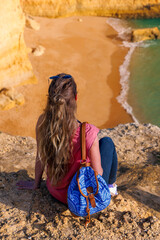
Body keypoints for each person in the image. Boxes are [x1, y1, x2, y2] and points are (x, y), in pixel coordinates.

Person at [17, 73, 118, 203]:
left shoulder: (42, 122)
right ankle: (110, 187)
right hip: (80, 199)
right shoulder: (87, 132)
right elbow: (98, 173)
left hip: (55, 193)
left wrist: (35, 184)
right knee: (107, 143)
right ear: (76, 98)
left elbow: (40, 157)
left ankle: (110, 187)